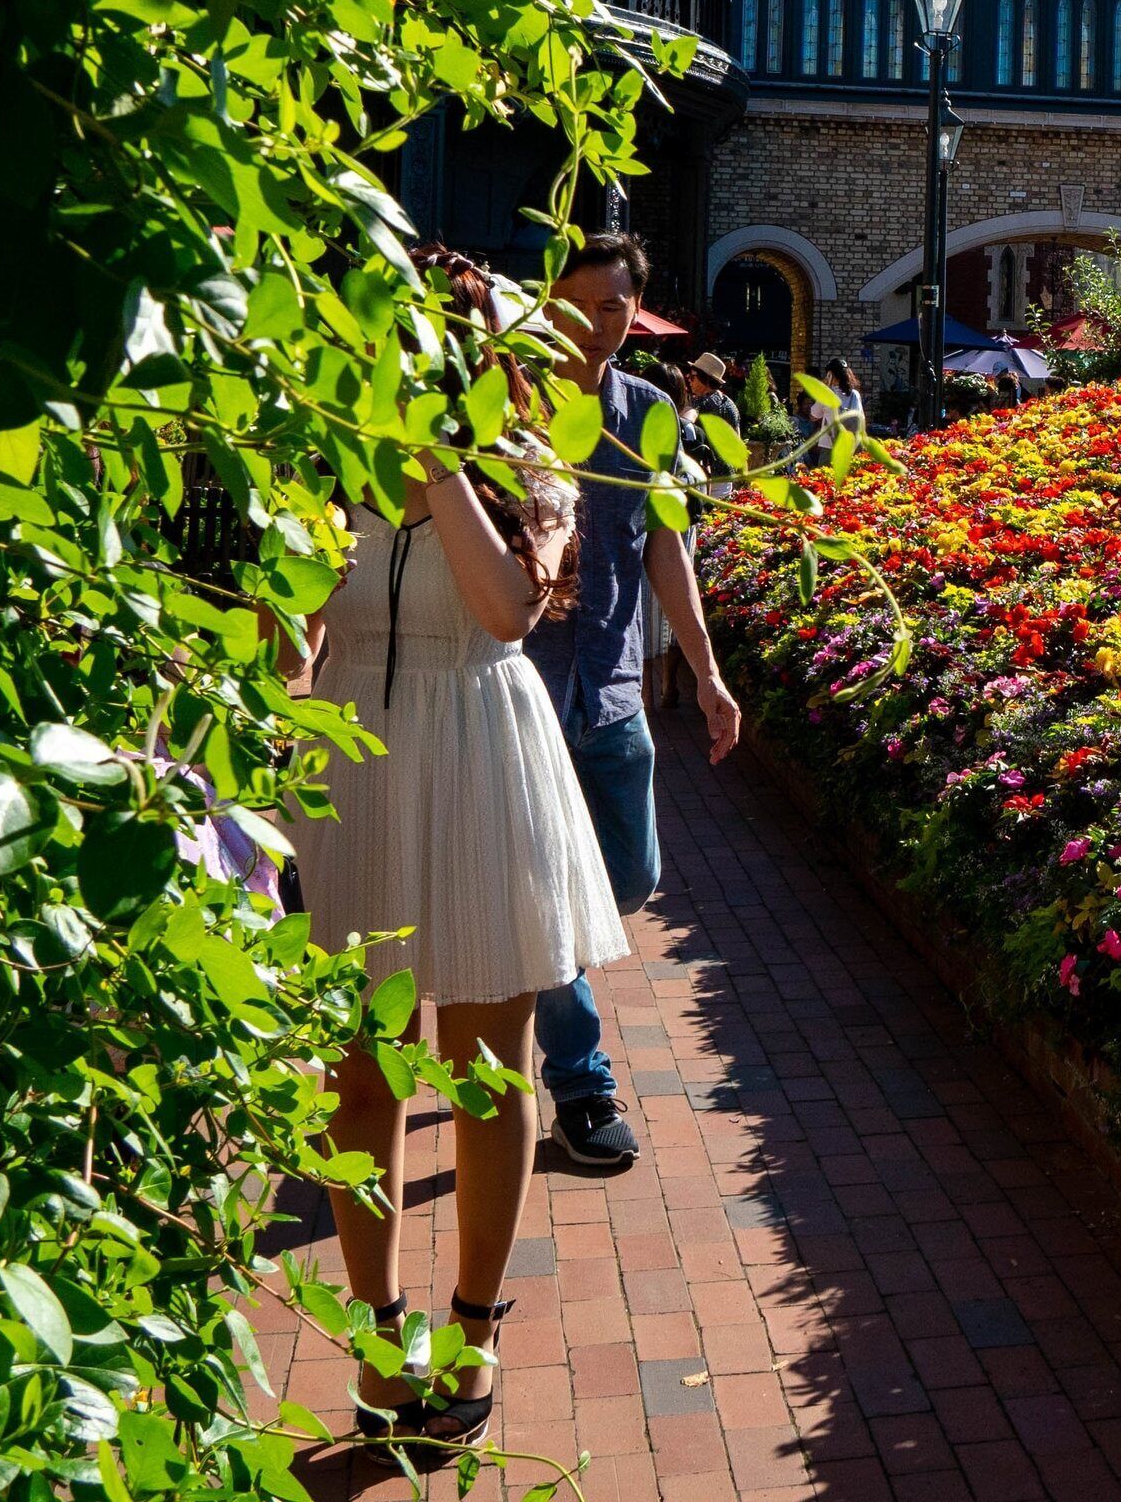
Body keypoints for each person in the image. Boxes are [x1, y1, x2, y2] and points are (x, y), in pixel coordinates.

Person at [295, 254, 629, 1446]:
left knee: (487, 1066)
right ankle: (383, 1336)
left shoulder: (532, 460)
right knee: (362, 1072)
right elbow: (299, 614)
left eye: (447, 332)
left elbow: (505, 610)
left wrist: (441, 458)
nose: (418, 352)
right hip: (361, 757)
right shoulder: (333, 447)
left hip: (482, 746)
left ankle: (477, 1327)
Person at [525, 234, 737, 1172]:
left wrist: (706, 671)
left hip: (611, 687)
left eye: (616, 308)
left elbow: (667, 551)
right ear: (550, 303)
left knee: (630, 880)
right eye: (582, 304)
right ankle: (581, 1086)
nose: (599, 325)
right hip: (521, 687)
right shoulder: (505, 406)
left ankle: (529, 971)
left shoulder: (647, 410)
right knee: (547, 898)